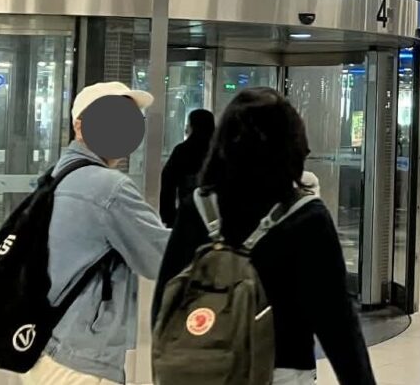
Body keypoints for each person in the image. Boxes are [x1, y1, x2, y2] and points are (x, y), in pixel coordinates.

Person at [154, 88, 375, 385]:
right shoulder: (306, 216)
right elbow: (337, 323)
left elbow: (165, 299)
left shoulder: (199, 206)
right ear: (293, 144)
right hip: (281, 369)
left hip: (202, 371)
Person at [31, 82, 169, 385]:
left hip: (45, 345)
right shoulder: (107, 187)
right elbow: (161, 257)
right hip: (80, 358)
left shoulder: (56, 176)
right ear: (80, 126)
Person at [158, 108, 214, 227]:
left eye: (188, 125)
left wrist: (168, 216)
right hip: (215, 216)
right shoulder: (220, 150)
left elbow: (168, 183)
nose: (186, 129)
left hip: (188, 214)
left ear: (193, 127)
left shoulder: (182, 151)